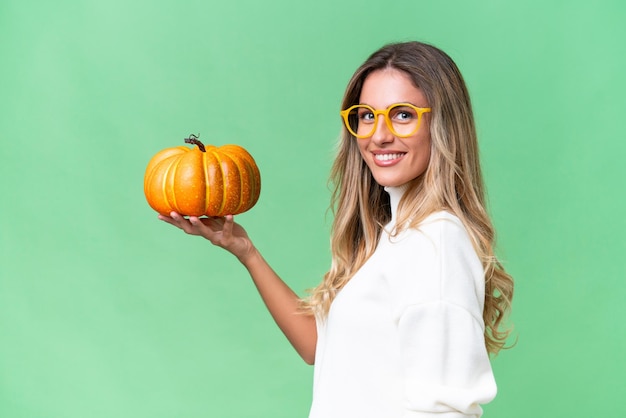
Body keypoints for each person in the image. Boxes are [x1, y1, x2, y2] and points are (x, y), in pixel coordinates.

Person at [158, 41, 514, 418]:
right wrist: (245, 250)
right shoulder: (392, 236)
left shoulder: (436, 242)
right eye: (366, 115)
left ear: (443, 124)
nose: (379, 135)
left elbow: (445, 411)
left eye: (403, 115)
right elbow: (319, 347)